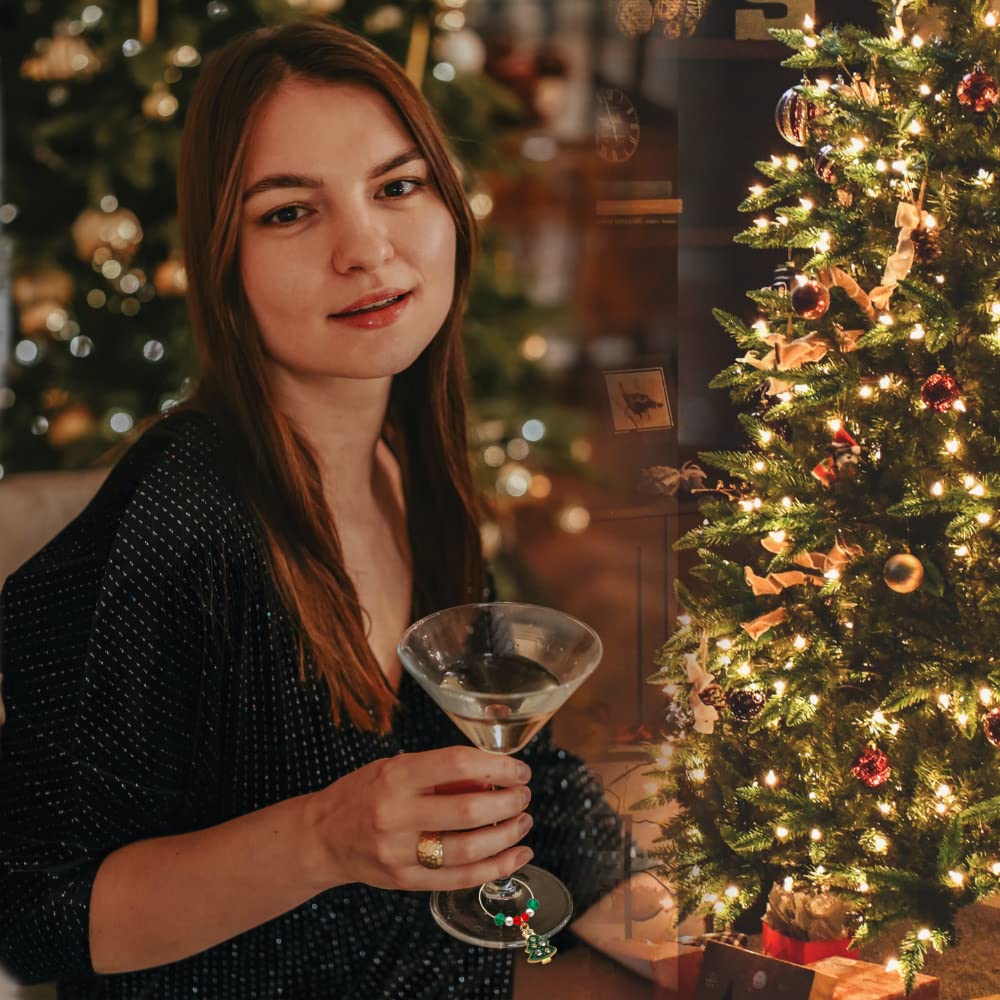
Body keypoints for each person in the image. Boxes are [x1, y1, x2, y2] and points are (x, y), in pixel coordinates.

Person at [0, 19, 635, 1000]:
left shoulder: (408, 462)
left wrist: (654, 903)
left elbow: (519, 767)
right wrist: (324, 836)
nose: (367, 248)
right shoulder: (185, 515)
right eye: (290, 213)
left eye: (397, 185)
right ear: (224, 263)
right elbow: (41, 921)